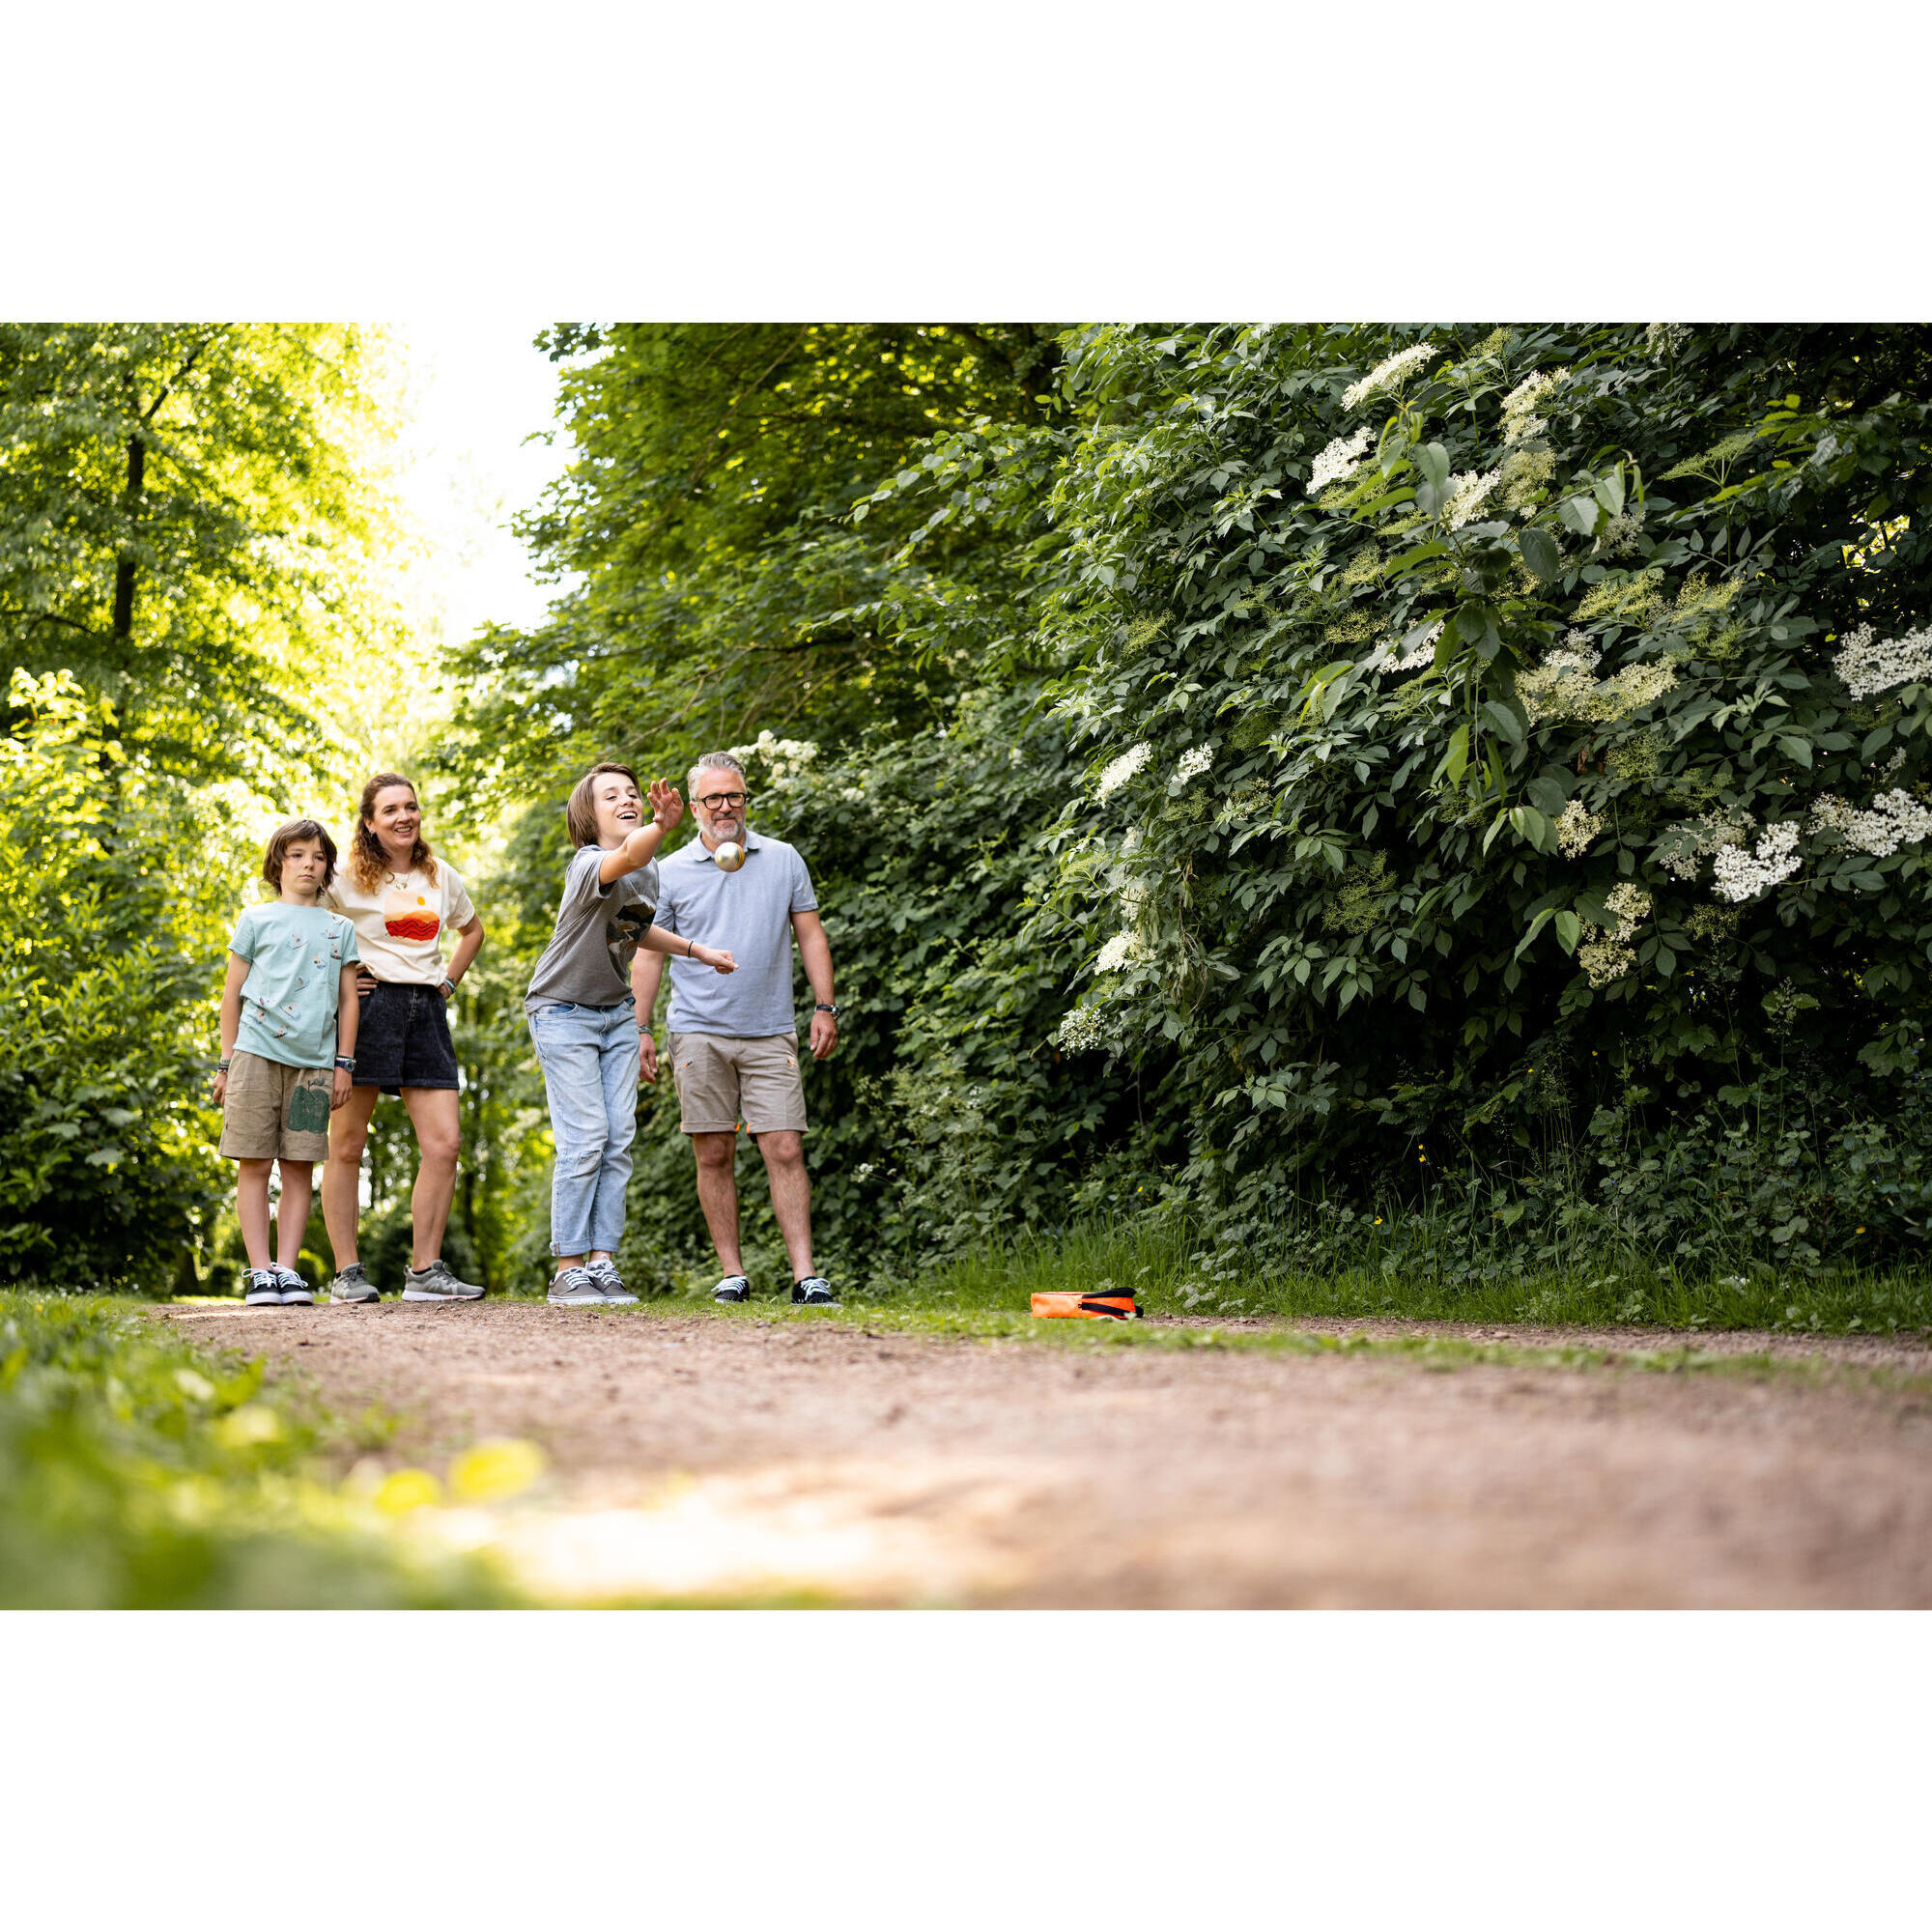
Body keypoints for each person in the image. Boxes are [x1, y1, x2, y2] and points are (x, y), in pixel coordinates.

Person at [634, 751, 841, 1307]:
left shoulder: (783, 859)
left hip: (771, 1029)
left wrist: (825, 1006)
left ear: (745, 800)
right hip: (697, 1031)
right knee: (713, 1153)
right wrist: (640, 1029)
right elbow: (649, 955)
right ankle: (733, 1273)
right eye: (713, 798)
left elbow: (811, 936)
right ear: (695, 805)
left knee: (784, 1147)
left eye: (735, 796)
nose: (726, 807)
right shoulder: (669, 871)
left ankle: (805, 1276)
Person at [526, 762, 737, 1306]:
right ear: (587, 815)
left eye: (630, 793)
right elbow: (628, 856)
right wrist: (664, 828)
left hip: (615, 1014)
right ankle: (567, 1267)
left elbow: (634, 930)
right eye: (610, 795)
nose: (626, 799)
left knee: (619, 1138)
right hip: (561, 1013)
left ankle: (602, 1262)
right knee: (585, 1138)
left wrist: (697, 950)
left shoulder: (647, 873)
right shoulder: (589, 864)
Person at [320, 772, 487, 1302]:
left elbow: (473, 930)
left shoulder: (441, 876)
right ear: (369, 822)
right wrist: (343, 979)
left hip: (426, 1010)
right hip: (369, 1010)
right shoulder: (343, 876)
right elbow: (309, 931)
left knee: (445, 1144)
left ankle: (424, 1272)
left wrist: (449, 981)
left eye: (410, 807)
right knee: (347, 1145)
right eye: (390, 809)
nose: (404, 817)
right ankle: (347, 1273)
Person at [213, 819, 361, 1306]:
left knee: (299, 1166)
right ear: (279, 863)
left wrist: (344, 1065)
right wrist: (225, 1064)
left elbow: (348, 999)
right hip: (254, 1055)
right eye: (297, 855)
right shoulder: (256, 919)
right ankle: (259, 1272)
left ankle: (288, 1271)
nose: (308, 865)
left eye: (317, 858)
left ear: (327, 869)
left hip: (315, 1067)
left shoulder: (340, 928)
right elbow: (231, 996)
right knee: (254, 1163)